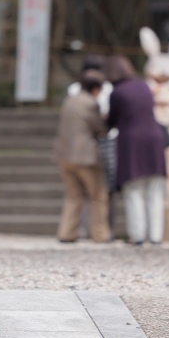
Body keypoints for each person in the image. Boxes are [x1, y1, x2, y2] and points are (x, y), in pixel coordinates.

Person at [105, 56, 168, 245]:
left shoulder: (117, 93)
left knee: (133, 189)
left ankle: (138, 235)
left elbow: (111, 121)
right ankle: (156, 236)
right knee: (155, 189)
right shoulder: (144, 87)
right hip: (155, 138)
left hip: (131, 141)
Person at [55, 69, 110, 243]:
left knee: (73, 195)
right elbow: (100, 128)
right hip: (85, 158)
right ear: (95, 88)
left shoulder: (69, 101)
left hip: (64, 155)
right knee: (98, 195)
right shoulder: (90, 104)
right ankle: (100, 234)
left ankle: (67, 233)